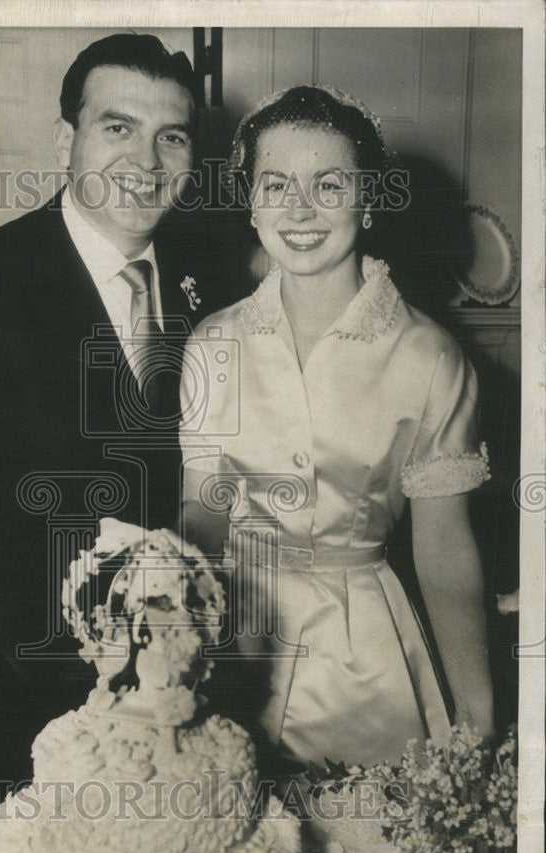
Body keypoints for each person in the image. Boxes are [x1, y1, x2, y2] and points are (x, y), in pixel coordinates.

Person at [0, 33, 239, 812]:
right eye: (118, 127)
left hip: (183, 693)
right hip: (26, 694)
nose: (145, 162)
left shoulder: (213, 286)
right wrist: (129, 585)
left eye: (172, 136)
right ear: (66, 142)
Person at [180, 86, 494, 768]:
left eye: (329, 184)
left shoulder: (428, 356)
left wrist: (478, 719)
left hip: (367, 663)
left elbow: (444, 553)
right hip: (238, 645)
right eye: (276, 184)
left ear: (369, 199)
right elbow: (201, 509)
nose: (299, 209)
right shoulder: (213, 342)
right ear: (251, 202)